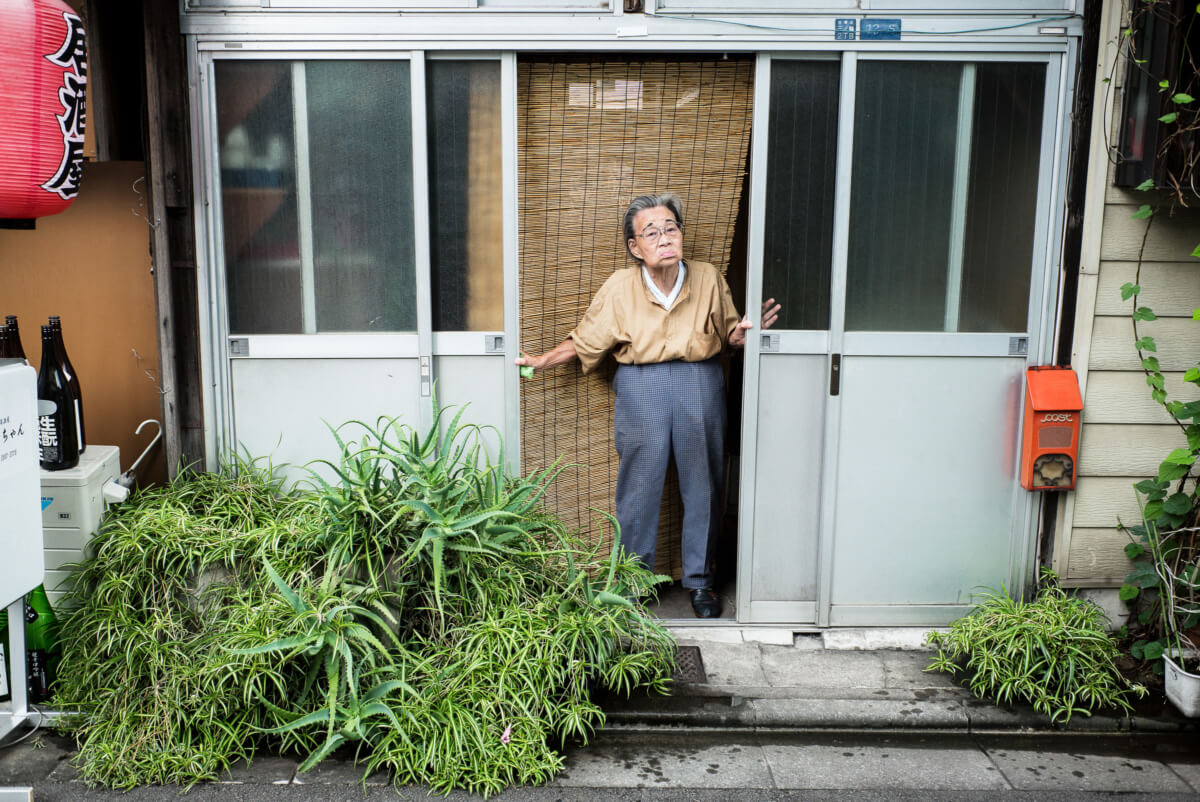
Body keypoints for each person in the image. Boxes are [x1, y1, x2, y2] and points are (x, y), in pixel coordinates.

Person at [515, 193, 780, 618]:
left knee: (705, 485)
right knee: (639, 487)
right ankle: (632, 584)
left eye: (670, 228)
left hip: (700, 380)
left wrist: (743, 336)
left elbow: (730, 334)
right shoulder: (620, 286)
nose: (664, 238)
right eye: (651, 232)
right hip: (642, 385)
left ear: (681, 234)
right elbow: (587, 339)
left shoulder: (708, 277)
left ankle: (701, 582)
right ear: (634, 247)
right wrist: (543, 360)